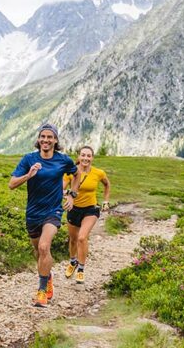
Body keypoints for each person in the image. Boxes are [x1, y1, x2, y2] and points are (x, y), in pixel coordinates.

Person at [9, 123, 81, 307]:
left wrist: (72, 196)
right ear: (38, 139)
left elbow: (76, 175)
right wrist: (28, 175)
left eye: (50, 137)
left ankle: (41, 292)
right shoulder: (28, 159)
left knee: (43, 247)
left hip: (53, 211)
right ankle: (47, 277)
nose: (46, 140)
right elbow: (11, 184)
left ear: (55, 140)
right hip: (33, 212)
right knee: (38, 252)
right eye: (43, 137)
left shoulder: (63, 160)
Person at [63, 145, 111, 284]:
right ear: (78, 157)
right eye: (83, 155)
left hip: (91, 209)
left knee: (82, 238)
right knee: (73, 239)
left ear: (92, 158)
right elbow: (61, 188)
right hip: (74, 209)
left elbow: (107, 185)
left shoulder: (98, 173)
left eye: (88, 156)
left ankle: (81, 269)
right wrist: (69, 194)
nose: (85, 158)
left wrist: (106, 201)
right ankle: (73, 262)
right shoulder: (70, 172)